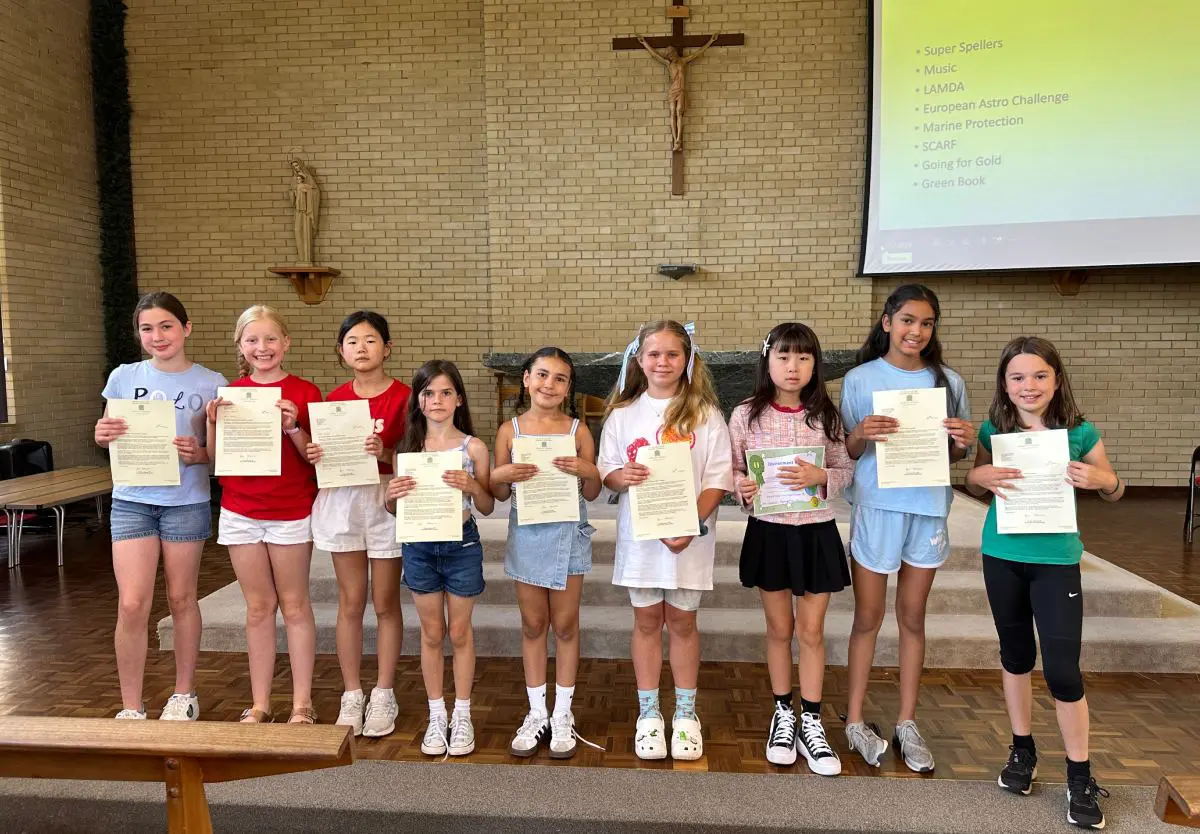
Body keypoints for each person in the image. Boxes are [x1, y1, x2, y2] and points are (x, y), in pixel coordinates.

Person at [966, 336, 1122, 830]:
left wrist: (1101, 481)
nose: (1028, 385)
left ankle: (1080, 775)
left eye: (1039, 375)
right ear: (1004, 383)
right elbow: (975, 482)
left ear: (1056, 380)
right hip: (1002, 556)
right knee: (1015, 656)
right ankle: (1022, 751)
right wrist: (979, 477)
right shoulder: (994, 428)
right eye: (1017, 377)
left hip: (1056, 562)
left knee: (1063, 672)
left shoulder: (1079, 432)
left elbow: (1114, 487)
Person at [839, 284, 976, 772]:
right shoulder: (860, 378)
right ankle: (855, 720)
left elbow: (955, 455)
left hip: (927, 507)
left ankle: (907, 722)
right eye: (907, 320)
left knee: (913, 617)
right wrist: (860, 433)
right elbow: (848, 452)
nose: (916, 331)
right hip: (878, 506)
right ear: (887, 322)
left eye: (926, 323)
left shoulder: (949, 382)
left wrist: (962, 442)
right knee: (867, 617)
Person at [598, 320, 733, 761]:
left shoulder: (706, 415)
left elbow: (717, 478)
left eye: (672, 354)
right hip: (642, 539)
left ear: (687, 360)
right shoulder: (623, 415)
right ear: (639, 360)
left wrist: (690, 525)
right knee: (645, 623)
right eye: (653, 354)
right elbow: (607, 470)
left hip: (690, 537)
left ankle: (687, 716)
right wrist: (622, 475)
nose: (662, 362)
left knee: (683, 624)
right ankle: (649, 714)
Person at [729, 323, 854, 775]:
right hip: (770, 533)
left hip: (816, 533)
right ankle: (783, 714)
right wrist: (742, 488)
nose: (793, 366)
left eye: (803, 357)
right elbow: (734, 470)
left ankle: (812, 721)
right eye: (783, 356)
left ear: (815, 364)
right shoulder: (746, 414)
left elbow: (845, 468)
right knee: (779, 629)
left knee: (812, 631)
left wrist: (823, 478)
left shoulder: (826, 416)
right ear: (767, 361)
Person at [96, 292, 226, 720]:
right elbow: (107, 434)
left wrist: (200, 453)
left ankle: (184, 694)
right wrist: (101, 434)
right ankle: (131, 706)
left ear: (186, 328)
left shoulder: (213, 383)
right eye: (147, 328)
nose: (157, 336)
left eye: (166, 326)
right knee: (132, 603)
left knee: (181, 598)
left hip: (185, 502)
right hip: (132, 500)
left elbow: (223, 454)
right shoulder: (123, 376)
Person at [207, 305, 321, 724]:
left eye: (271, 338)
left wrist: (293, 426)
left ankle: (302, 704)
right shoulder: (231, 394)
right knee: (257, 608)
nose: (262, 347)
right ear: (240, 346)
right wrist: (211, 422)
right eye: (252, 340)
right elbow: (216, 461)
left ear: (285, 343)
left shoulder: (305, 392)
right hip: (241, 510)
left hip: (290, 510)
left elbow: (315, 459)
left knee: (295, 605)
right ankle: (260, 704)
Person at [490, 347, 602, 759]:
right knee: (534, 624)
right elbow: (499, 493)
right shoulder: (510, 431)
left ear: (568, 387)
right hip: (528, 534)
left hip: (568, 533)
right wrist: (501, 474)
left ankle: (563, 712)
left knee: (566, 625)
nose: (549, 384)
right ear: (526, 379)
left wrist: (589, 471)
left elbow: (593, 490)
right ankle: (537, 711)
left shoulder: (578, 430)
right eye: (542, 375)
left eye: (560, 378)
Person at [307, 311, 411, 738]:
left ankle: (384, 692)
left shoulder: (406, 397)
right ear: (341, 351)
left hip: (386, 496)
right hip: (345, 496)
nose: (361, 348)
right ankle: (352, 692)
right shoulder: (333, 400)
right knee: (350, 601)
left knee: (385, 602)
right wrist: (315, 454)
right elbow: (323, 457)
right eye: (352, 341)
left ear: (387, 348)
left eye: (370, 340)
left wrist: (385, 451)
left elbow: (418, 456)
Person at [385, 360, 494, 757]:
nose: (437, 400)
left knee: (460, 632)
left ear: (458, 399)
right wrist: (390, 497)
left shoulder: (473, 447)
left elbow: (487, 506)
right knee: (431, 633)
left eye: (446, 392)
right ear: (418, 400)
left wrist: (472, 485)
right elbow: (395, 510)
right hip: (419, 547)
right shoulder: (408, 450)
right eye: (429, 392)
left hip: (461, 545)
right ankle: (436, 713)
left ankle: (462, 713)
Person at [637, 33, 719, 151]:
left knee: (679, 112)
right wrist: (645, 43)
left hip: (681, 90)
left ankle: (678, 139)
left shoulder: (683, 61)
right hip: (673, 91)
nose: (670, 56)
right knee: (672, 113)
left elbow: (697, 54)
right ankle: (675, 139)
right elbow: (655, 55)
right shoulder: (668, 64)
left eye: (671, 53)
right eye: (669, 55)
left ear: (674, 52)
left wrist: (710, 41)